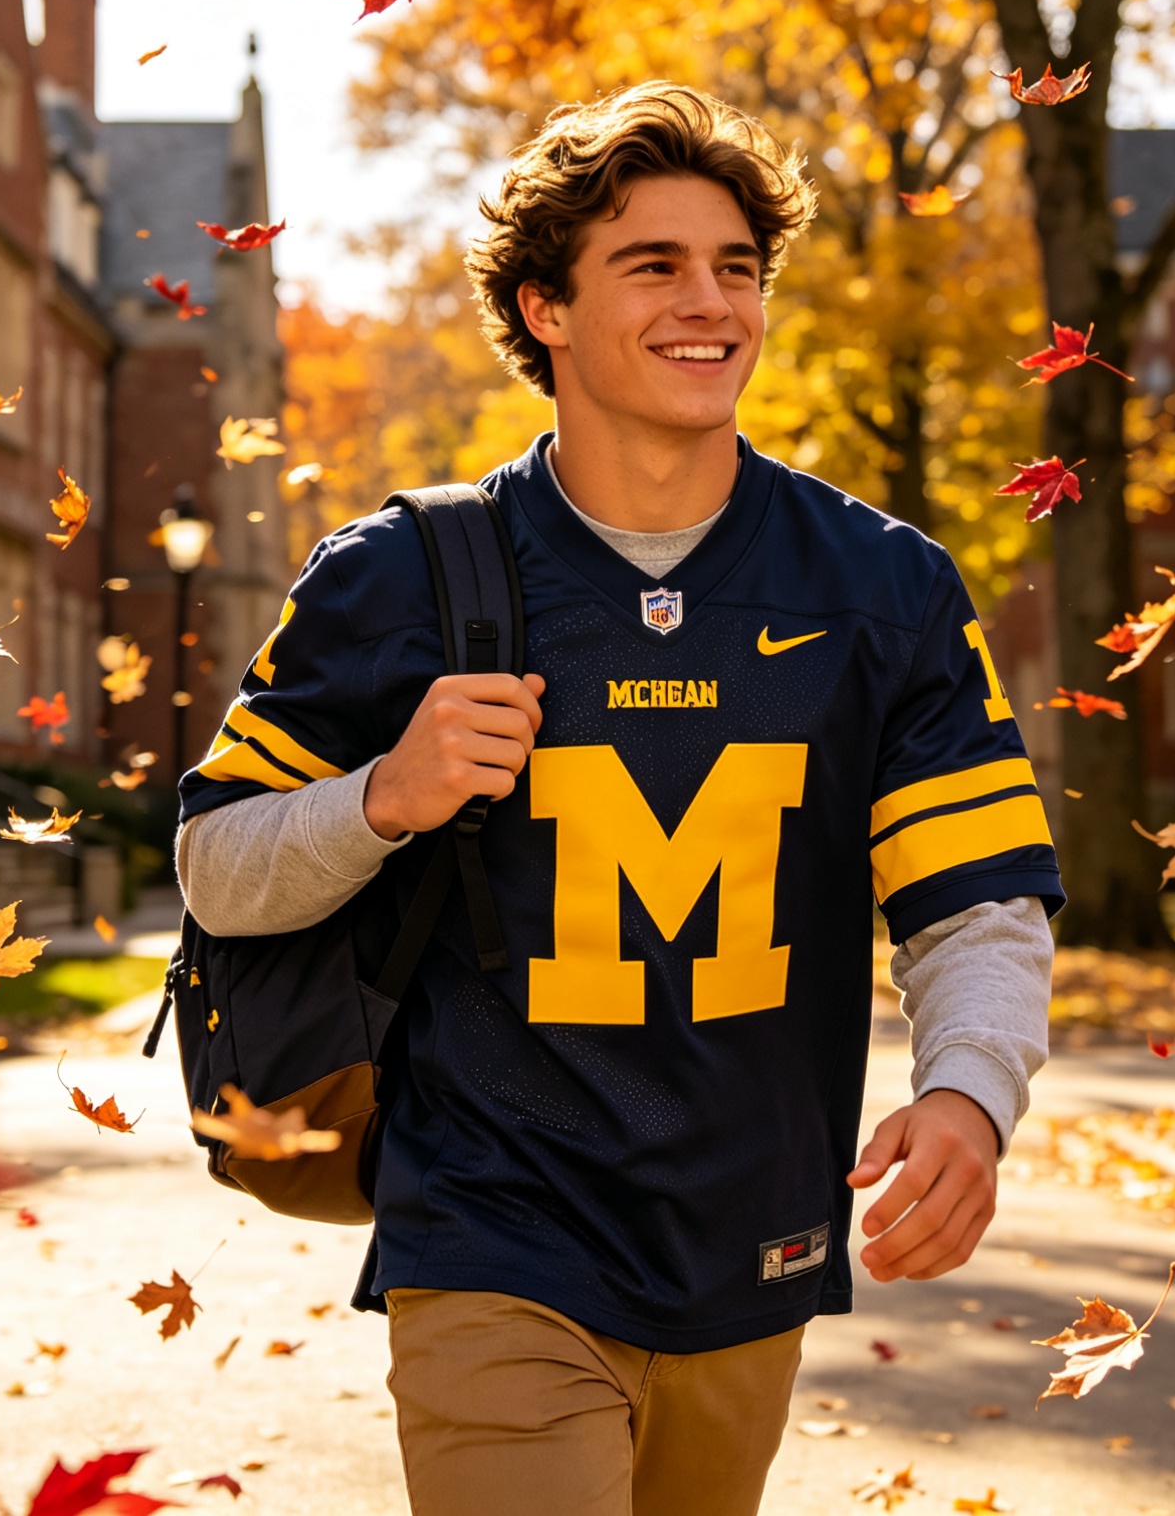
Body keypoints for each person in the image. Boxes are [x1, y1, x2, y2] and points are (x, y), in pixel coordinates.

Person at [174, 82, 1060, 1516]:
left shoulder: (881, 588)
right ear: (546, 309)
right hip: (490, 1228)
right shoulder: (398, 576)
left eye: (737, 269)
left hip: (752, 1240)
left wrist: (970, 1089)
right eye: (653, 264)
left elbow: (976, 900)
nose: (710, 303)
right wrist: (382, 799)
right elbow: (217, 866)